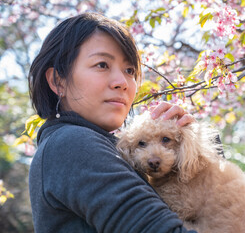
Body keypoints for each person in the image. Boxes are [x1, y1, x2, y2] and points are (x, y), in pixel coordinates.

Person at [28, 12, 197, 233]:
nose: (122, 82)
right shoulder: (72, 144)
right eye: (102, 64)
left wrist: (195, 151)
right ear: (57, 81)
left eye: (130, 71)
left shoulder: (87, 144)